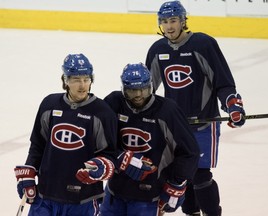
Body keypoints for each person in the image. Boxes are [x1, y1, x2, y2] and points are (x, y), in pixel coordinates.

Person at [145, 1, 246, 216]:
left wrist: (232, 104)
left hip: (203, 124)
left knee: (200, 175)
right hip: (174, 126)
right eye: (164, 22)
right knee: (183, 174)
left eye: (173, 20)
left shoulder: (203, 44)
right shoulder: (158, 50)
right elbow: (146, 91)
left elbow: (223, 82)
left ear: (183, 21)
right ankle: (192, 213)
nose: (169, 26)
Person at [14, 53, 118, 216]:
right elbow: (38, 145)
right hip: (45, 197)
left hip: (83, 200)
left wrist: (101, 167)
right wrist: (30, 171)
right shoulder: (49, 104)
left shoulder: (102, 113)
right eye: (76, 79)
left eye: (86, 79)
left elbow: (111, 155)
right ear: (65, 80)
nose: (82, 85)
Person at [99, 63, 200, 216]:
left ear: (151, 87)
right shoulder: (114, 103)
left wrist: (177, 182)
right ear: (124, 89)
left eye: (143, 89)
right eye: (132, 91)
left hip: (150, 195)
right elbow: (97, 137)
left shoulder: (167, 111)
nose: (138, 95)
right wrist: (120, 156)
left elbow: (190, 151)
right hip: (115, 191)